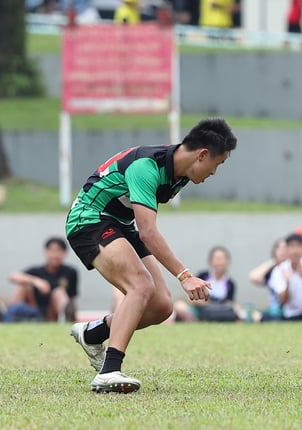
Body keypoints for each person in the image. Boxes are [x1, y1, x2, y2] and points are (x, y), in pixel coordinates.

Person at [67, 118, 237, 393]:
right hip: (89, 219)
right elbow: (148, 231)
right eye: (217, 164)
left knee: (161, 306)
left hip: (120, 224)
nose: (214, 172)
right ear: (202, 154)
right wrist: (185, 276)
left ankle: (93, 334)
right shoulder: (146, 167)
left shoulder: (180, 173)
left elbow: (142, 224)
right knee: (141, 286)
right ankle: (109, 371)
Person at [1, 237, 78, 323]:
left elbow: (72, 297)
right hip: (35, 309)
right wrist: (36, 281)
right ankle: (8, 317)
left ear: (64, 253)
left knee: (59, 292)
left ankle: (64, 319)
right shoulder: (36, 271)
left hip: (53, 312)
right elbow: (12, 276)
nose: (55, 255)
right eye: (52, 251)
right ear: (45, 252)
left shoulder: (70, 272)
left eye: (58, 251)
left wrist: (73, 316)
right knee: (22, 286)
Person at [174, 246, 239, 322]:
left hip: (219, 310)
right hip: (201, 308)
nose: (220, 262)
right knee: (179, 305)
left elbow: (229, 302)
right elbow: (191, 297)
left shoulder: (230, 283)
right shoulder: (203, 276)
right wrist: (205, 303)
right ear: (211, 261)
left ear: (227, 261)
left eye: (222, 259)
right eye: (217, 259)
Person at [249, 237, 288, 320]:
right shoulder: (272, 272)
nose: (282, 252)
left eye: (285, 249)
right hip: (276, 310)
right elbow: (253, 277)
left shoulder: (297, 269)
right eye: (279, 249)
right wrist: (275, 262)